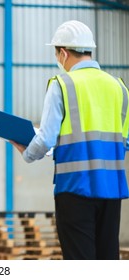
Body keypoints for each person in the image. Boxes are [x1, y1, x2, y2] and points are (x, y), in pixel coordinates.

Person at [10, 20, 129, 260]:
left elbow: (46, 138)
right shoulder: (119, 88)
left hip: (75, 189)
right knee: (107, 260)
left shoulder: (62, 85)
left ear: (63, 53)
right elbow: (122, 141)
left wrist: (27, 152)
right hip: (111, 190)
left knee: (79, 262)